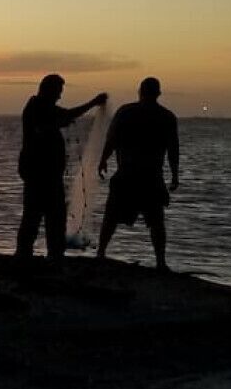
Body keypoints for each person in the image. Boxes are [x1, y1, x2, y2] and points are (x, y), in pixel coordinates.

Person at [15, 74, 107, 264]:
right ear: (48, 90)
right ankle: (28, 254)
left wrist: (91, 104)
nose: (59, 96)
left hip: (47, 173)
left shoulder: (45, 107)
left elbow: (66, 115)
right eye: (58, 92)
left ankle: (50, 253)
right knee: (40, 214)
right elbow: (44, 127)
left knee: (51, 214)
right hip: (38, 172)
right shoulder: (35, 108)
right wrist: (92, 103)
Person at [96, 77, 180, 271]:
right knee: (156, 221)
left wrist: (103, 160)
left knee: (112, 216)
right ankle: (160, 262)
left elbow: (112, 139)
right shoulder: (166, 117)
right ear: (158, 93)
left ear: (139, 91)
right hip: (148, 177)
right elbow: (173, 149)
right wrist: (175, 175)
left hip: (130, 174)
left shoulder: (127, 112)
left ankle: (101, 252)